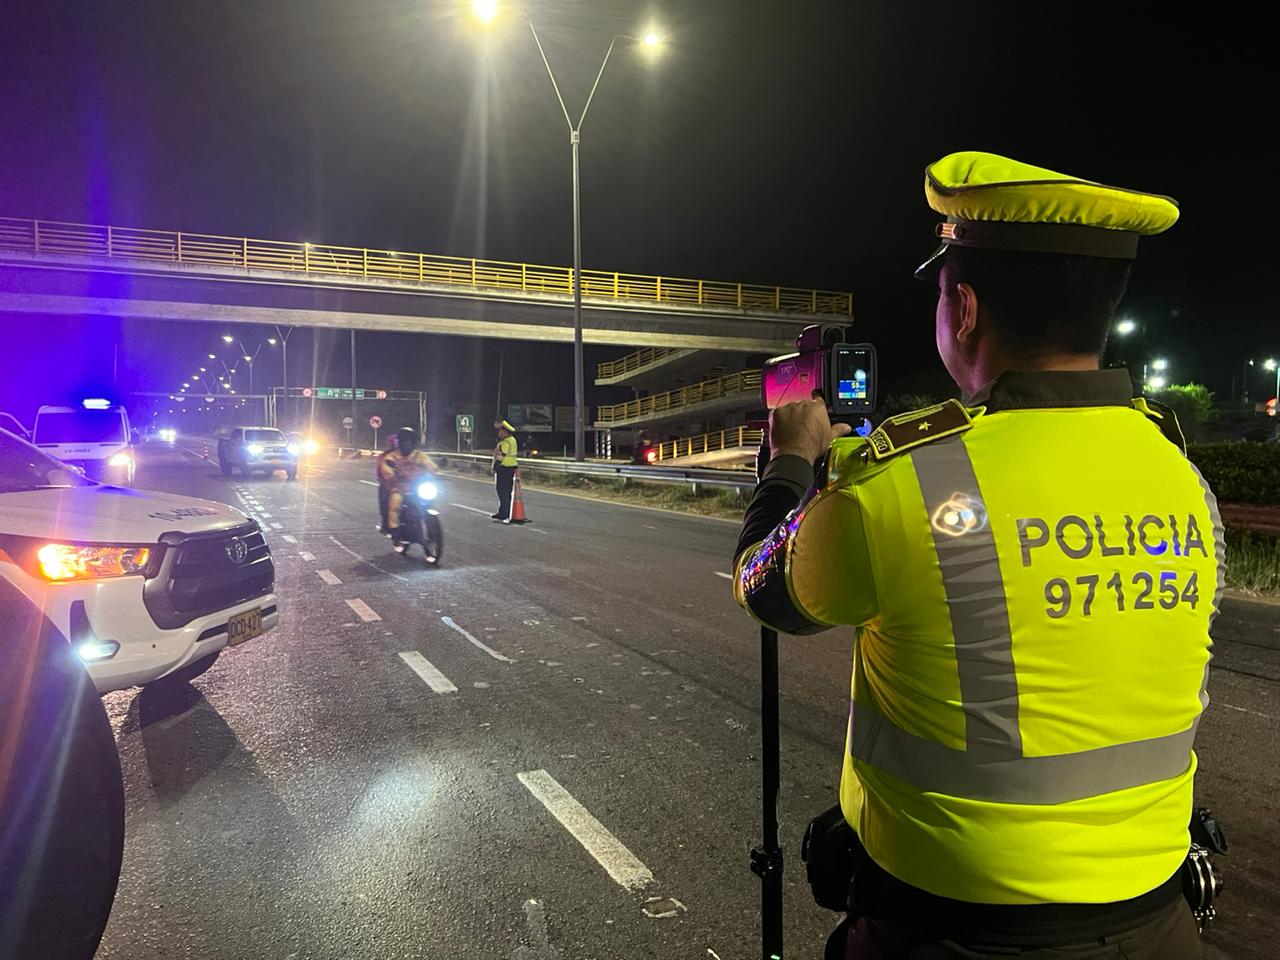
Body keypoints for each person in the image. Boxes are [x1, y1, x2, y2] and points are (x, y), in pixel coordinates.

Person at [733, 152, 1222, 959]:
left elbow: (762, 587)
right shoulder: (1182, 477)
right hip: (1158, 926)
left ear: (963, 308)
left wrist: (791, 465)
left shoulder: (900, 485)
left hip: (942, 934)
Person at [378, 427, 437, 547]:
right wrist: (391, 475)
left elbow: (429, 464)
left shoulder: (418, 455)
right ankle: (395, 531)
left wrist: (437, 473)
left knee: (429, 499)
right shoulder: (392, 456)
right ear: (399, 442)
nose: (407, 444)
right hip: (399, 487)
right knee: (395, 504)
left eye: (409, 441)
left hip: (417, 486)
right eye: (404, 441)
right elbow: (386, 468)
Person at [491, 419, 518, 522]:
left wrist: (495, 468)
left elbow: (501, 456)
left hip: (504, 468)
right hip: (510, 468)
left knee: (502, 491)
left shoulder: (506, 442)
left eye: (500, 431)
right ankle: (503, 512)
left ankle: (503, 513)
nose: (499, 433)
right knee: (506, 491)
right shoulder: (512, 440)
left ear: (504, 432)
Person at [375, 431, 398, 535]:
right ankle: (385, 522)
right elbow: (379, 474)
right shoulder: (384, 457)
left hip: (408, 486)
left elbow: (422, 465)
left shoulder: (411, 455)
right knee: (384, 496)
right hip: (391, 485)